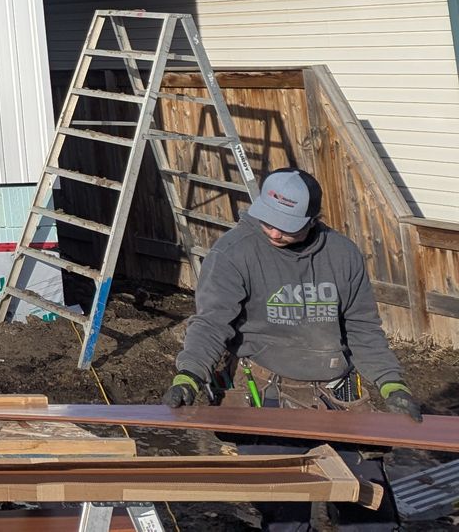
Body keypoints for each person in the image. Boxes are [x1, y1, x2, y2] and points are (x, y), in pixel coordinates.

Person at [166, 167, 421, 532]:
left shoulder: (343, 254)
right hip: (268, 394)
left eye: (286, 225)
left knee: (369, 509)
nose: (274, 232)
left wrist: (392, 384)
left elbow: (363, 329)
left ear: (314, 219)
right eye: (268, 222)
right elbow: (210, 323)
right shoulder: (234, 252)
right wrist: (189, 373)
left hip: (337, 394)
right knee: (286, 517)